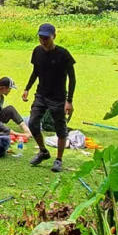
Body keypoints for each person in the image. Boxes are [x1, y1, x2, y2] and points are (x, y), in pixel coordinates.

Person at [22, 23, 76, 172]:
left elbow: (72, 79)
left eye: (46, 38)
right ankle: (43, 151)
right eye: (41, 37)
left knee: (60, 129)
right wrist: (27, 88)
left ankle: (58, 159)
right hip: (41, 94)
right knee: (33, 123)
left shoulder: (63, 54)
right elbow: (36, 72)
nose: (43, 41)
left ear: (54, 37)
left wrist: (69, 101)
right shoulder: (37, 51)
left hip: (58, 97)